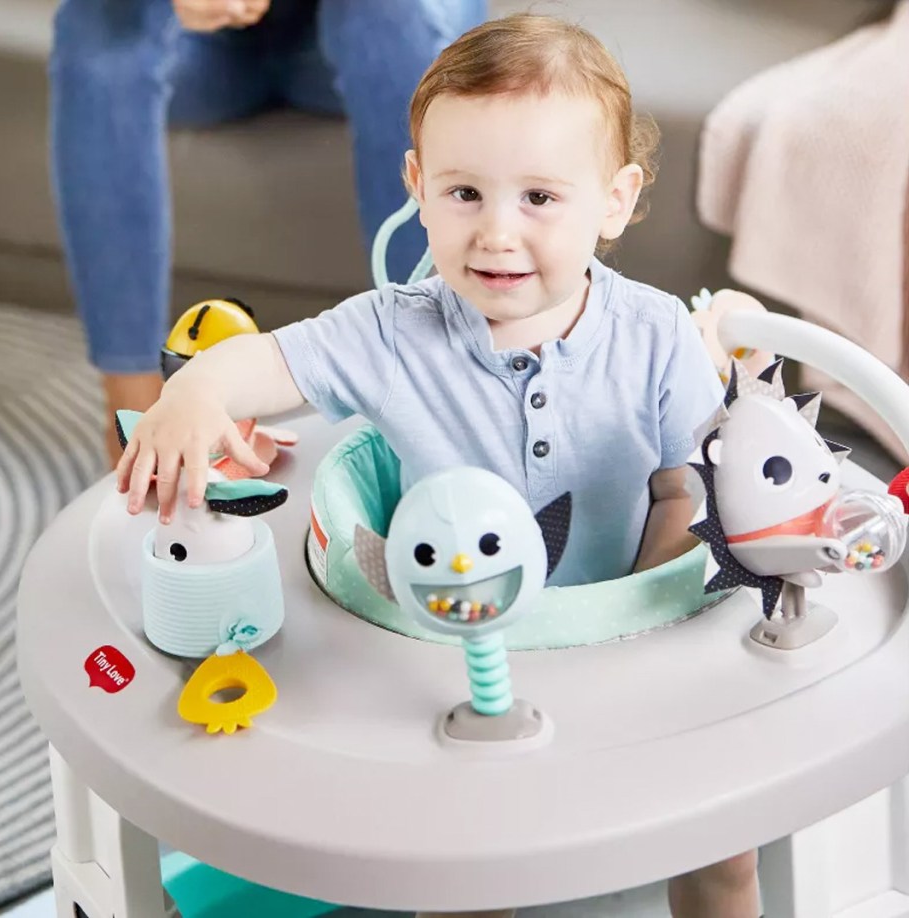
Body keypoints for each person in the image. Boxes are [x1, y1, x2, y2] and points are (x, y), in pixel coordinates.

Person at [116, 13, 759, 918]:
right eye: (465, 193)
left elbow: (693, 487)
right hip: (446, 660)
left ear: (613, 200)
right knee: (456, 883)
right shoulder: (392, 329)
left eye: (540, 198)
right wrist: (191, 395)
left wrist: (651, 602)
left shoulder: (653, 334)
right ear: (417, 184)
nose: (497, 233)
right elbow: (262, 361)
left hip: (623, 648)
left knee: (728, 851)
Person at [49, 0, 486, 466]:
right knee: (98, 20)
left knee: (383, 14)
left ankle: (438, 396)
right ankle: (136, 421)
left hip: (368, 30)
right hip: (209, 50)